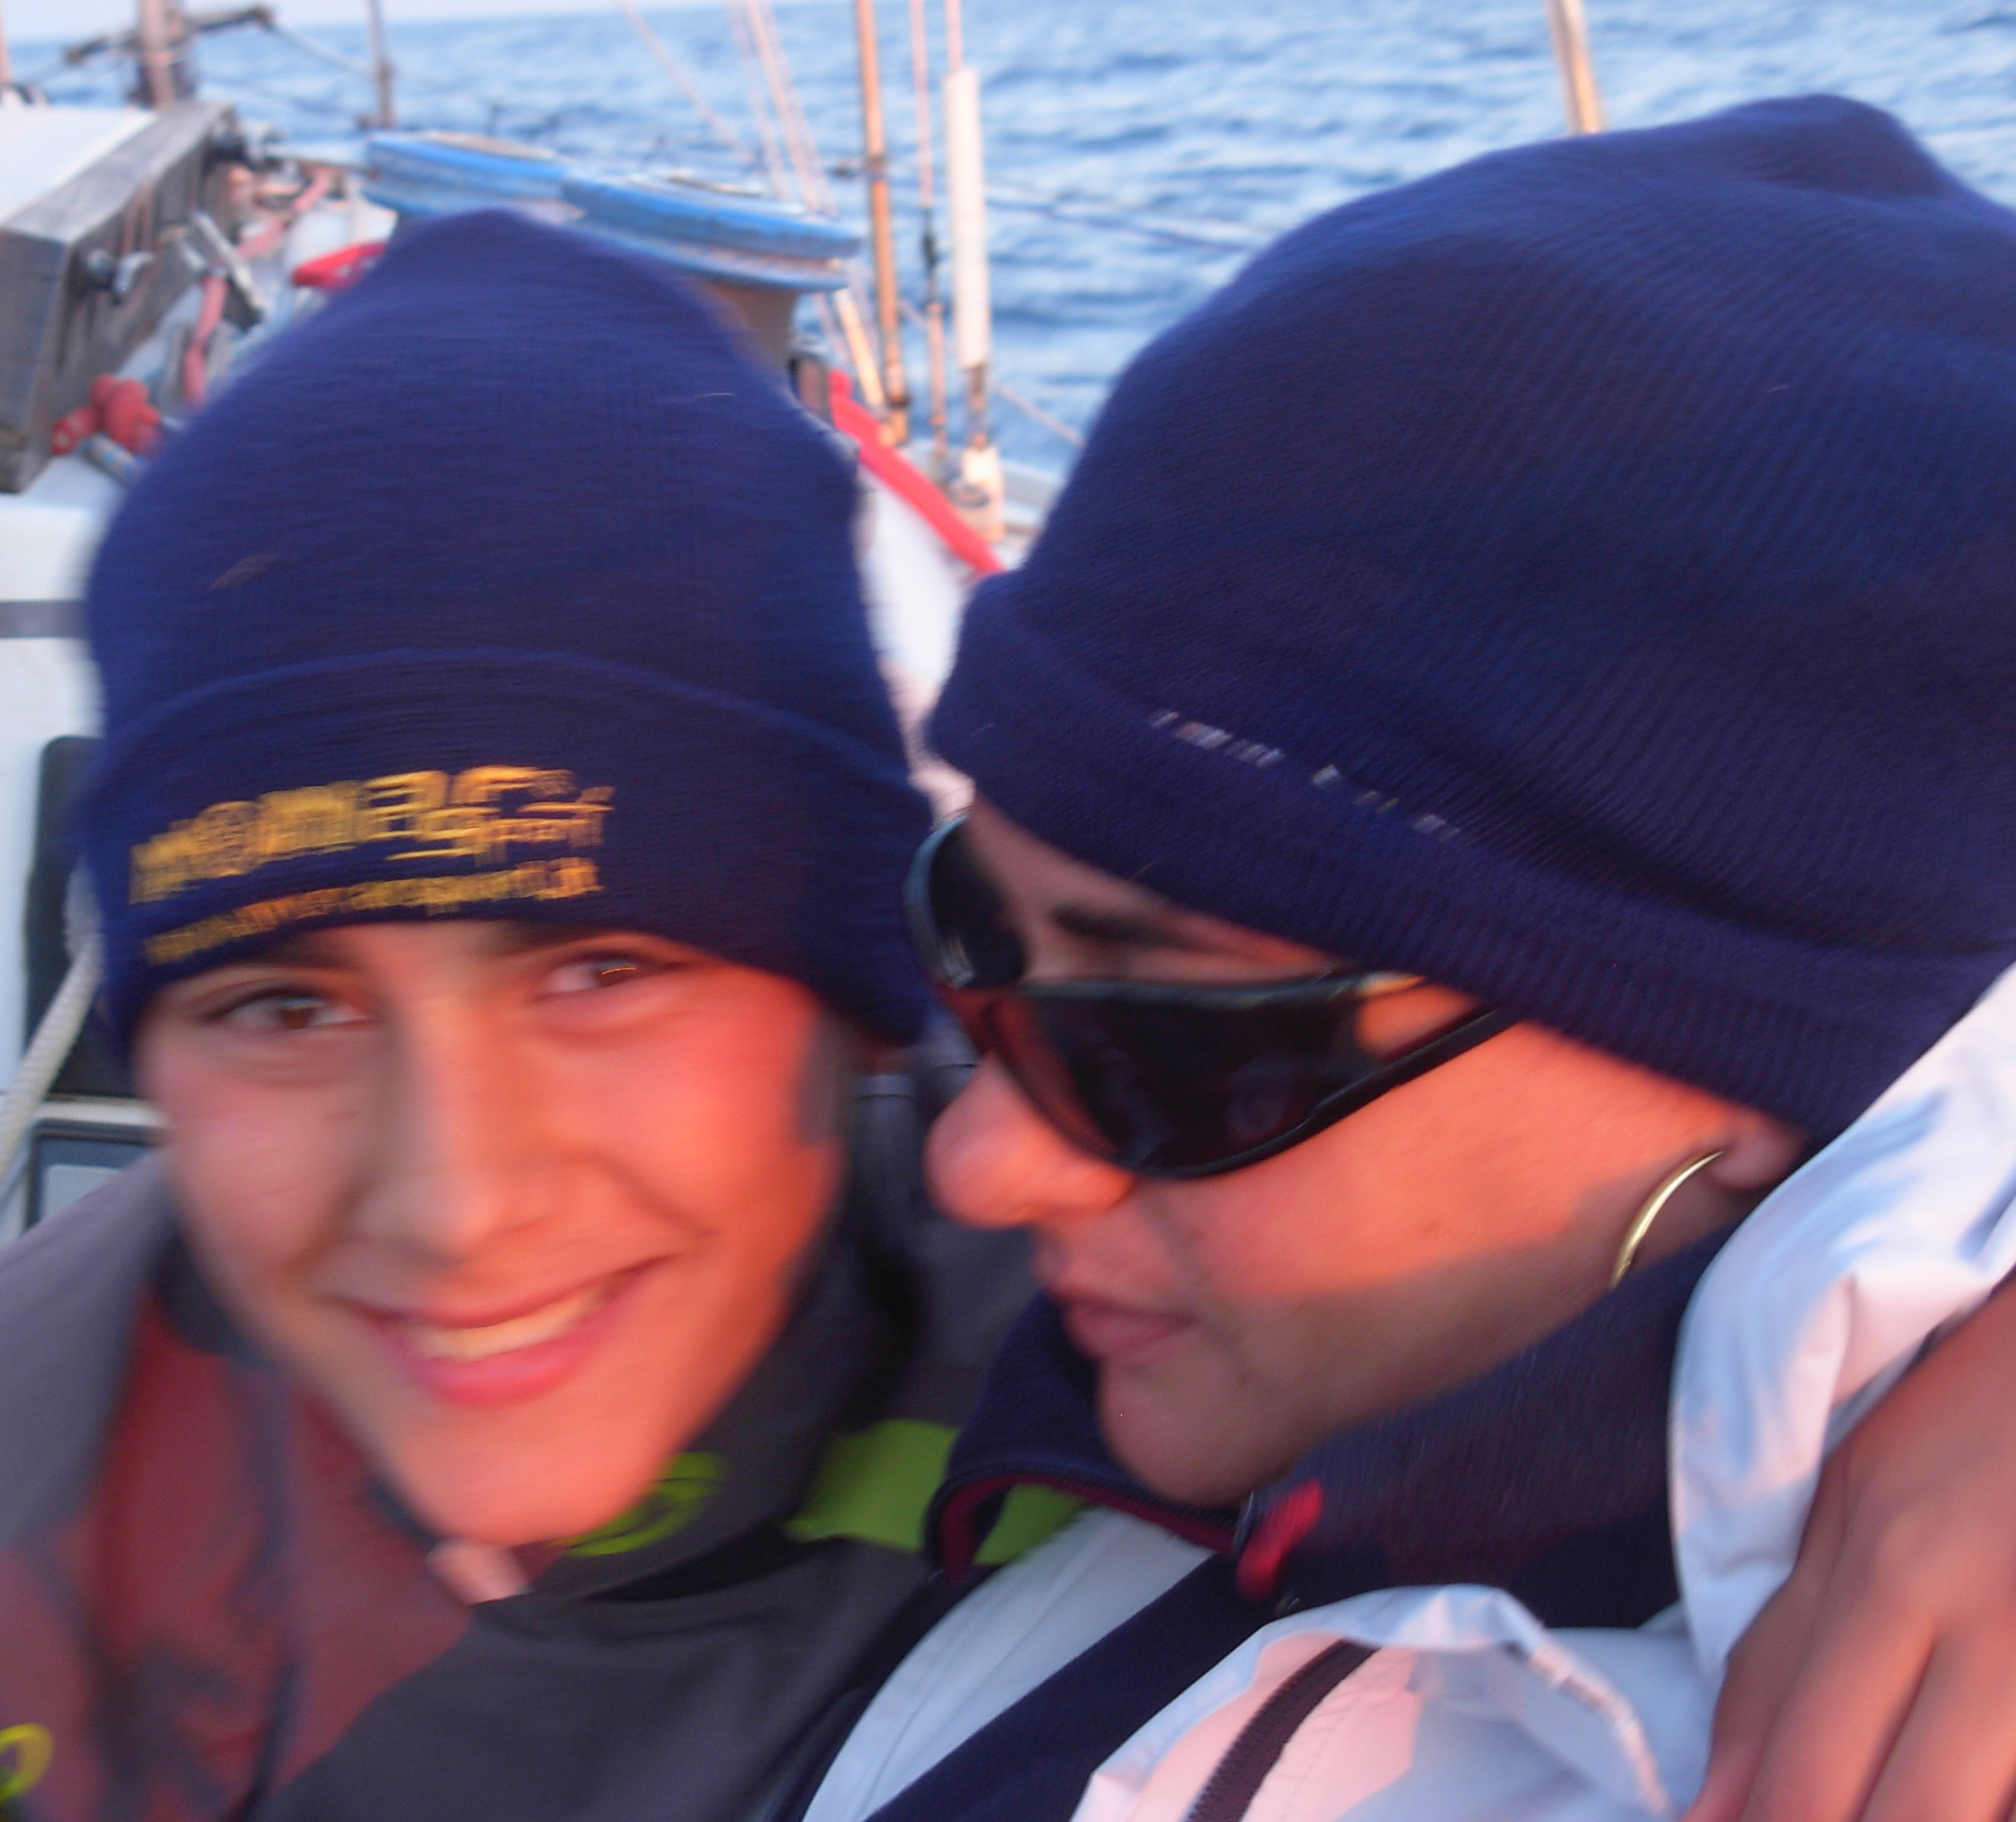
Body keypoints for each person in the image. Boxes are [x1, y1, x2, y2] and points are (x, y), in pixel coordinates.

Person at [0, 211, 1048, 1822]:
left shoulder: (1149, 1382)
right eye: (288, 1005)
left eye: (601, 973)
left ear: (863, 1004)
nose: (454, 1205)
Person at [798, 95, 2016, 1822]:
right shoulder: (1254, 1389)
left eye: (1178, 1046)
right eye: (970, 933)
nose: (984, 1164)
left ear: (1751, 1065)